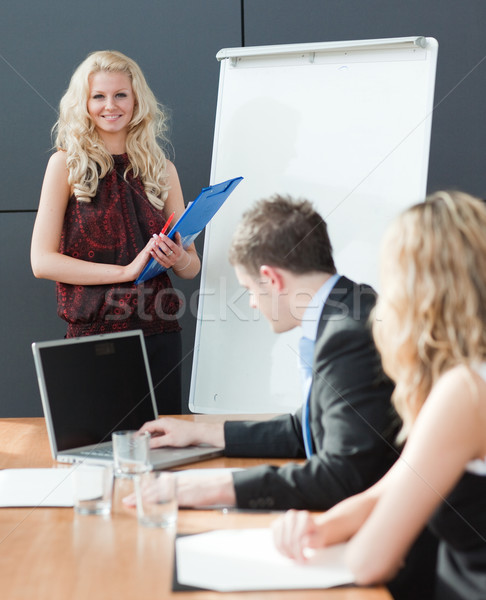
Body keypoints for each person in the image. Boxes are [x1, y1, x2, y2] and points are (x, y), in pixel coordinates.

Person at [272, 191, 486, 600]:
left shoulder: (465, 391)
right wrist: (321, 527)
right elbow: (390, 489)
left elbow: (371, 562)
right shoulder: (470, 376)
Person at [127, 194, 399, 510]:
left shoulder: (348, 338)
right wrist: (200, 432)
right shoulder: (353, 302)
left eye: (249, 290)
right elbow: (306, 429)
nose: (253, 303)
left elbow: (343, 476)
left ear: (271, 278)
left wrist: (216, 487)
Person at [30, 50, 200, 414]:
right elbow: (42, 261)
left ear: (136, 100)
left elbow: (191, 268)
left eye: (120, 95)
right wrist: (125, 273)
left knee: (162, 449)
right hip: (95, 336)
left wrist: (180, 257)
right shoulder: (65, 165)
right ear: (84, 103)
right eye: (99, 96)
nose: (111, 105)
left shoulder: (162, 168)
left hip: (160, 333)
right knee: (97, 451)